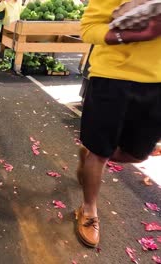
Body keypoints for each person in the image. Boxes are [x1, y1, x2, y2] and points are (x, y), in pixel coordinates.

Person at [77, 1, 161, 248]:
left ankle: (89, 154)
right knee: (100, 153)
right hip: (111, 77)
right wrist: (138, 34)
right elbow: (89, 29)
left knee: (137, 154)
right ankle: (88, 209)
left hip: (157, 82)